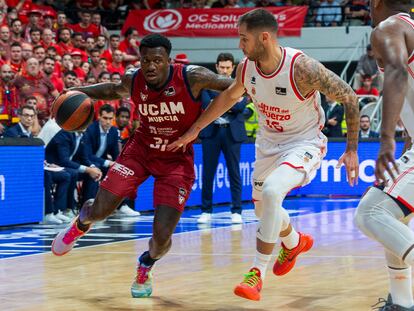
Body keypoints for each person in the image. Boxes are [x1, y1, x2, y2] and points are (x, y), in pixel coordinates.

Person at [168, 9, 359, 301]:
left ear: (264, 38)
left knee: (272, 192)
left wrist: (352, 148)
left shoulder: (302, 68)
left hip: (303, 142)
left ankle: (256, 273)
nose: (240, 45)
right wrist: (195, 129)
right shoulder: (246, 68)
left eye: (244, 39)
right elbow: (229, 97)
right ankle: (293, 243)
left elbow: (349, 96)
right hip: (268, 144)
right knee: (262, 209)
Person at [51, 34, 234, 298]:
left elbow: (231, 86)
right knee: (101, 210)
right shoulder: (134, 79)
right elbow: (112, 90)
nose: (150, 66)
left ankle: (146, 263)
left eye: (157, 61)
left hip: (176, 159)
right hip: (140, 151)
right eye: (145, 60)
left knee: (160, 240)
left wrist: (258, 89)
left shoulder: (191, 76)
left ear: (168, 61)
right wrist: (78, 91)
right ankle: (80, 223)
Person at [354, 1, 414, 310]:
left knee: (370, 214)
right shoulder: (409, 28)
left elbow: (397, 73)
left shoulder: (388, 28)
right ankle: (402, 304)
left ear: (376, 3)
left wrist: (386, 139)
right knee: (394, 219)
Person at [198, 52, 248, 224]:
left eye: (228, 67)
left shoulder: (240, 84)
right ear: (216, 67)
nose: (225, 70)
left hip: (232, 132)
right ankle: (206, 210)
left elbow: (241, 107)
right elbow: (206, 105)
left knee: (234, 172)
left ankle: (236, 210)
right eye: (222, 67)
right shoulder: (206, 85)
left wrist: (218, 104)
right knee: (208, 173)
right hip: (211, 132)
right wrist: (230, 103)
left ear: (233, 68)